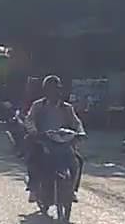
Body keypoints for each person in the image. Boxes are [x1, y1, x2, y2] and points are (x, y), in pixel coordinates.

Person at [23, 75, 85, 203]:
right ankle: (33, 188)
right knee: (33, 159)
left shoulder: (67, 108)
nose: (53, 92)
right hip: (43, 140)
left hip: (63, 141)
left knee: (77, 161)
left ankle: (72, 190)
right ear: (45, 91)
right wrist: (34, 132)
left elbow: (76, 122)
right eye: (50, 89)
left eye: (56, 89)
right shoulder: (38, 106)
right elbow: (29, 120)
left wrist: (80, 132)